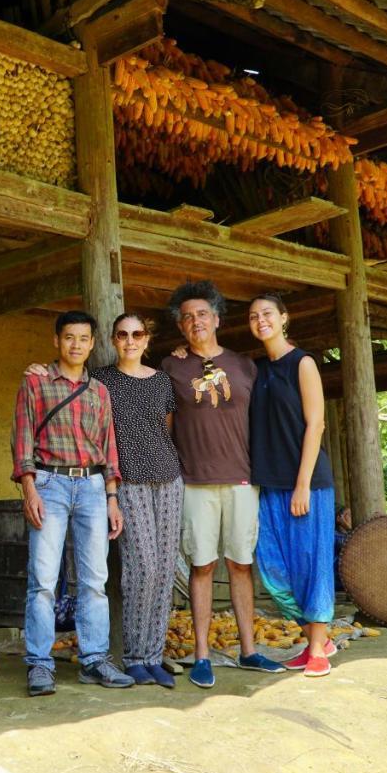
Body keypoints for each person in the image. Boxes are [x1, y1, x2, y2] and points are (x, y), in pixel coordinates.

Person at [24, 312, 184, 688]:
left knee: (160, 571)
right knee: (137, 568)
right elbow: (33, 432)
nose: (130, 340)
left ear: (147, 339)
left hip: (155, 478)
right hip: (116, 481)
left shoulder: (160, 381)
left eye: (138, 334)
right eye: (123, 334)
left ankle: (150, 655)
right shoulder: (101, 381)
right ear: (111, 341)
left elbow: (163, 430)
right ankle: (127, 656)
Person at [161, 281, 285, 689]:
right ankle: (201, 654)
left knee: (240, 564)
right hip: (194, 481)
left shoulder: (245, 365)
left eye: (202, 314)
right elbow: (165, 426)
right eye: (187, 317)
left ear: (216, 319)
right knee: (201, 566)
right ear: (181, 328)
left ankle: (248, 650)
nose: (195, 321)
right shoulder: (171, 367)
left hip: (241, 479)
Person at [11, 310, 133, 696]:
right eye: (68, 337)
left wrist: (112, 497)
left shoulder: (99, 391)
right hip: (50, 484)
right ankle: (40, 665)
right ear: (56, 341)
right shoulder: (36, 382)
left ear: (93, 343)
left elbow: (109, 447)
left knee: (95, 581)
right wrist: (29, 489)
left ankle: (95, 660)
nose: (76, 345)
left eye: (83, 338)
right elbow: (22, 439)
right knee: (43, 581)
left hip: (93, 488)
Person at [247, 293, 337, 676]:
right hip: (269, 485)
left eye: (267, 313)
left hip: (308, 484)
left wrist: (302, 484)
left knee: (312, 565)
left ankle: (316, 649)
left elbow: (315, 424)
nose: (260, 320)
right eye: (253, 316)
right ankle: (317, 636)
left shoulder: (303, 363)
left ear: (284, 317)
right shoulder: (256, 370)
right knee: (273, 571)